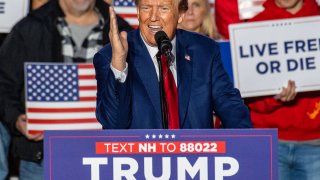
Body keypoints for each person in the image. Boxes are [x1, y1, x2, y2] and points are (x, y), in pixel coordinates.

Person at [0, 0, 133, 179]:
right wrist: (16, 120)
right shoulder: (30, 28)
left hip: (105, 158)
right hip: (42, 158)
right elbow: (4, 85)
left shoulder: (122, 31)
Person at [93, 0, 252, 129]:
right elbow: (114, 125)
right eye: (146, 7)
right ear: (137, 11)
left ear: (181, 14)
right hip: (141, 164)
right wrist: (119, 62)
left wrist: (245, 147)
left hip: (197, 163)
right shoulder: (111, 56)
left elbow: (231, 109)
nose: (153, 17)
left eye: (163, 8)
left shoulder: (205, 51)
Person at [246, 0, 320, 179]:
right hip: (269, 141)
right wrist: (273, 97)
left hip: (315, 143)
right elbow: (248, 92)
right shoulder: (253, 27)